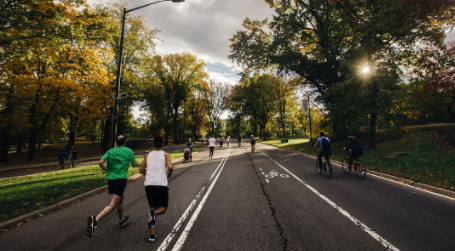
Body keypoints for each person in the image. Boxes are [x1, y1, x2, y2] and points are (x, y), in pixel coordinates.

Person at [86, 135, 137, 238]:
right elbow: (134, 165)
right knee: (113, 204)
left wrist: (106, 170)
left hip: (111, 179)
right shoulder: (128, 151)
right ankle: (95, 220)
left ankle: (121, 220)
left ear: (116, 142)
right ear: (125, 142)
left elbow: (100, 162)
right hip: (120, 180)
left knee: (121, 198)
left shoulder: (110, 151)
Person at [139, 136, 173, 242]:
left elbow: (141, 170)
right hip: (161, 184)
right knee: (163, 208)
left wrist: (148, 173)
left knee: (152, 207)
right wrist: (169, 174)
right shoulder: (166, 155)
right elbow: (170, 167)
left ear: (153, 144)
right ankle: (154, 215)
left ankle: (152, 233)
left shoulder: (148, 154)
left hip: (149, 184)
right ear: (163, 144)